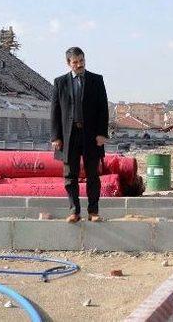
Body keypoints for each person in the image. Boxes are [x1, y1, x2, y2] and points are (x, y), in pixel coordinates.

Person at [50, 47, 109, 223]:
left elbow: (103, 109)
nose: (79, 65)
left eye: (81, 61)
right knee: (70, 176)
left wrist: (101, 133)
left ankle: (93, 211)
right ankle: (74, 211)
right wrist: (56, 137)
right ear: (69, 63)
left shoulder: (96, 80)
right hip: (69, 135)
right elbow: (55, 110)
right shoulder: (60, 82)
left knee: (93, 175)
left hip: (91, 135)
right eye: (75, 62)